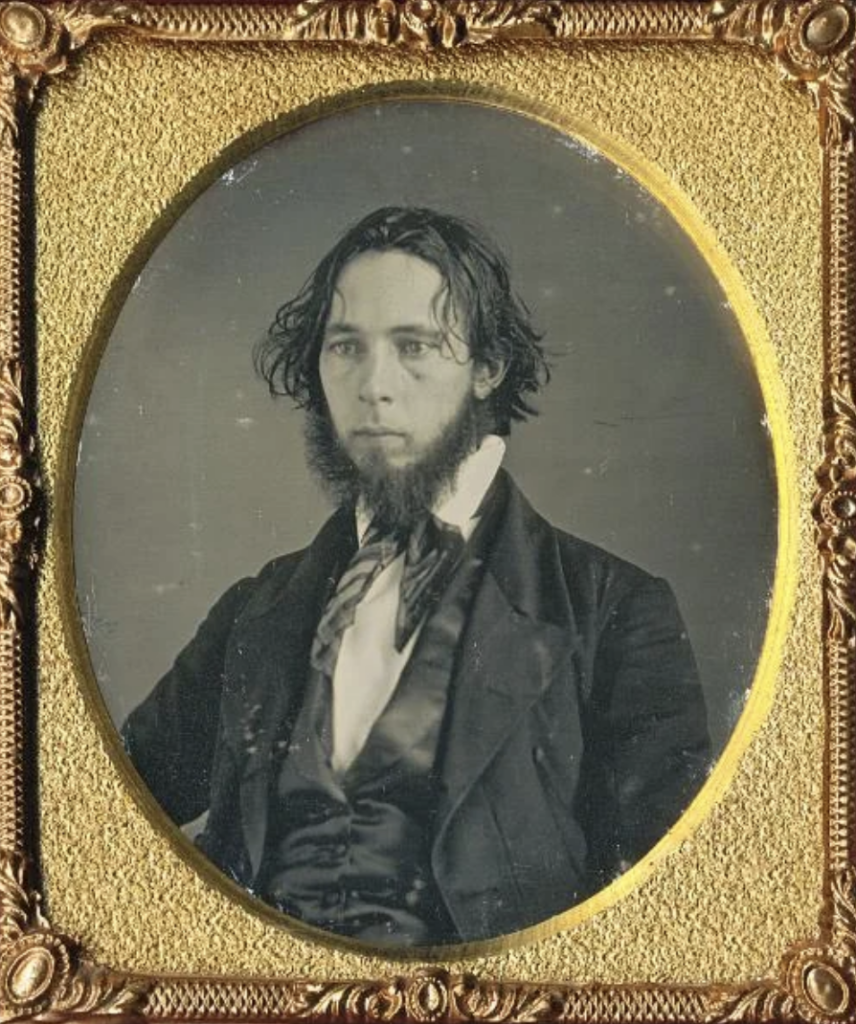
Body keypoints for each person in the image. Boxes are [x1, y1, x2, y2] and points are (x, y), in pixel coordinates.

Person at [122, 206, 710, 948]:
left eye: (416, 347)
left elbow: (667, 916)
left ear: (487, 368)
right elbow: (109, 809)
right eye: (346, 348)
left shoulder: (614, 610)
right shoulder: (259, 607)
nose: (375, 386)